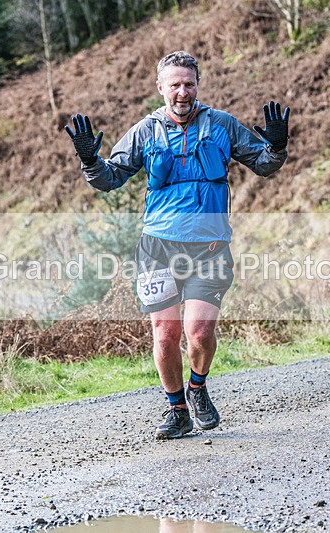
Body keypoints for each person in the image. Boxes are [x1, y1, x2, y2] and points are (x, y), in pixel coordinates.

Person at [65, 51, 290, 439]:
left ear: (198, 85)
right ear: (161, 88)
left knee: (199, 332)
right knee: (165, 335)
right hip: (157, 249)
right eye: (175, 85)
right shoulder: (145, 131)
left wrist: (278, 146)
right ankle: (177, 409)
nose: (182, 92)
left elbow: (264, 164)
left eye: (189, 84)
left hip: (209, 249)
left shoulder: (221, 124)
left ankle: (198, 388)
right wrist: (90, 160)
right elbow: (109, 178)